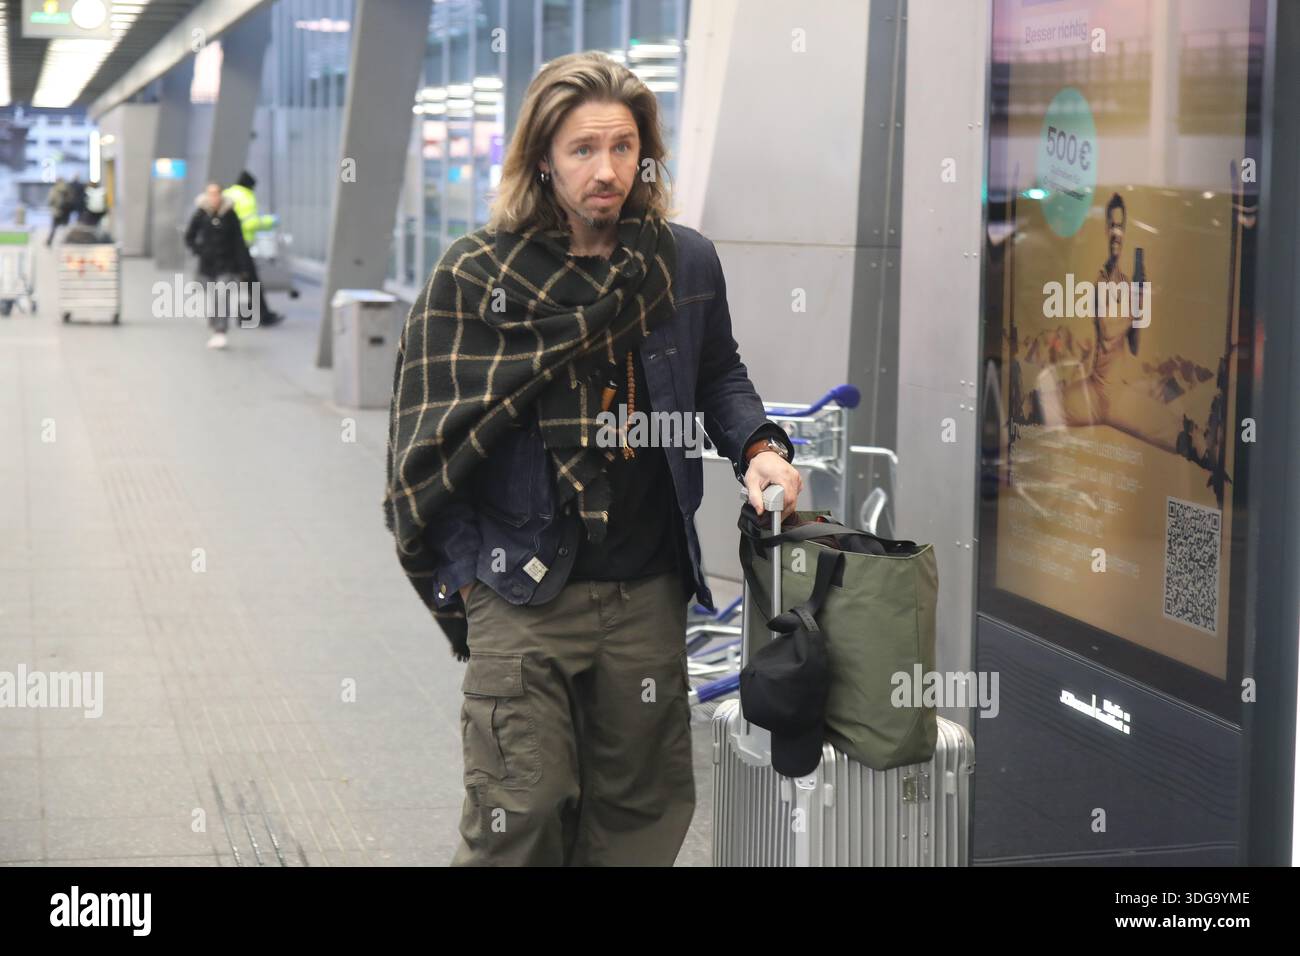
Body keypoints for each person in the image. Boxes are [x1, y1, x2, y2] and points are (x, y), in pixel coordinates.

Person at [384, 51, 802, 867]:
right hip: (520, 584)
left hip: (647, 587)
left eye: (623, 149)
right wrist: (467, 574)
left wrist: (758, 446)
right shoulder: (475, 276)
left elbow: (719, 373)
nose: (606, 170)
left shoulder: (682, 261)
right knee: (521, 810)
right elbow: (422, 449)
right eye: (582, 150)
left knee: (639, 820)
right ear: (541, 157)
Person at [183, 182, 255, 350]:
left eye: (216, 194)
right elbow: (189, 236)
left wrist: (243, 267)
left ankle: (220, 330)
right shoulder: (201, 214)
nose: (213, 197)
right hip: (207, 265)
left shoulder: (230, 215)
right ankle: (214, 325)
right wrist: (199, 250)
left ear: (221, 195)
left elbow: (239, 242)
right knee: (212, 297)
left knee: (222, 295)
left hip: (227, 264)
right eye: (210, 194)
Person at [223, 171, 283, 327]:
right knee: (251, 280)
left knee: (242, 281)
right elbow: (250, 223)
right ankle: (263, 315)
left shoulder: (228, 193)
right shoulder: (246, 197)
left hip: (225, 246)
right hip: (240, 246)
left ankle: (246, 315)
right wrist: (270, 221)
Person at [45, 178, 71, 246]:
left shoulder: (54, 189)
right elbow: (70, 199)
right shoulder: (67, 189)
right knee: (65, 227)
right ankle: (66, 241)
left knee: (54, 227)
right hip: (66, 211)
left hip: (57, 211)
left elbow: (50, 200)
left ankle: (49, 240)